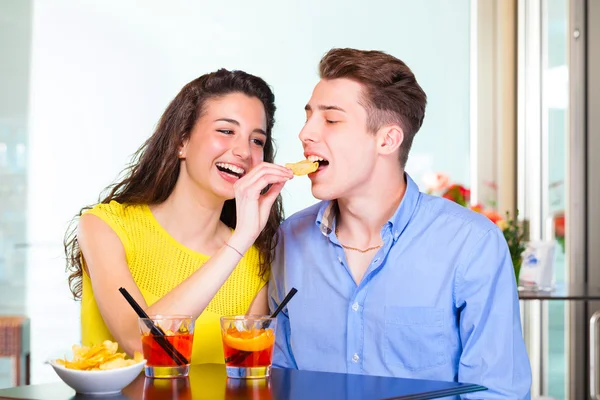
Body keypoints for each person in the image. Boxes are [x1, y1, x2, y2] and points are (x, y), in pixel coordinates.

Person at [268, 48, 532, 398]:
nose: (305, 133)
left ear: (388, 139)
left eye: (330, 120)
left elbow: (497, 392)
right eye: (308, 116)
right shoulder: (288, 240)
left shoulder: (471, 244)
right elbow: (276, 379)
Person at [64, 69, 294, 364]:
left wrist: (244, 241)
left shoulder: (255, 263)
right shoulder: (105, 226)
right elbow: (140, 342)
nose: (244, 152)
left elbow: (245, 377)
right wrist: (239, 241)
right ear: (181, 141)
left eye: (257, 141)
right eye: (226, 131)